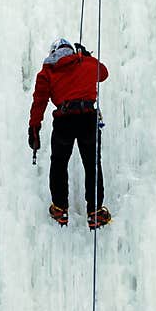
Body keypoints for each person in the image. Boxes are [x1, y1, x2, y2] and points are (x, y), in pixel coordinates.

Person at [28, 37, 112, 230]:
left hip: (64, 119)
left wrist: (34, 127)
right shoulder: (85, 62)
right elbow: (104, 73)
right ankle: (95, 212)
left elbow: (39, 102)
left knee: (59, 163)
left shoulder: (47, 71)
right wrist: (88, 56)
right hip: (87, 117)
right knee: (92, 165)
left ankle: (60, 208)